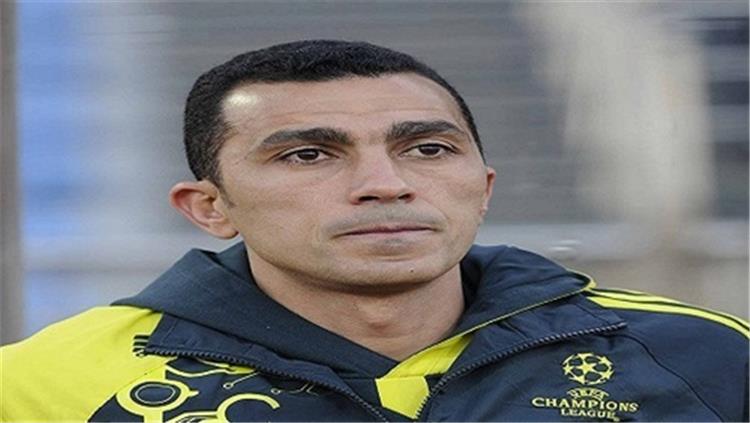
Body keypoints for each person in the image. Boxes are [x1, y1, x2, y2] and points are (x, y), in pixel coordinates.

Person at [1, 40, 747, 422]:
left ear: (484, 188)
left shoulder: (706, 355)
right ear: (209, 206)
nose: (386, 183)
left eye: (428, 149)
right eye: (308, 154)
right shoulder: (36, 388)